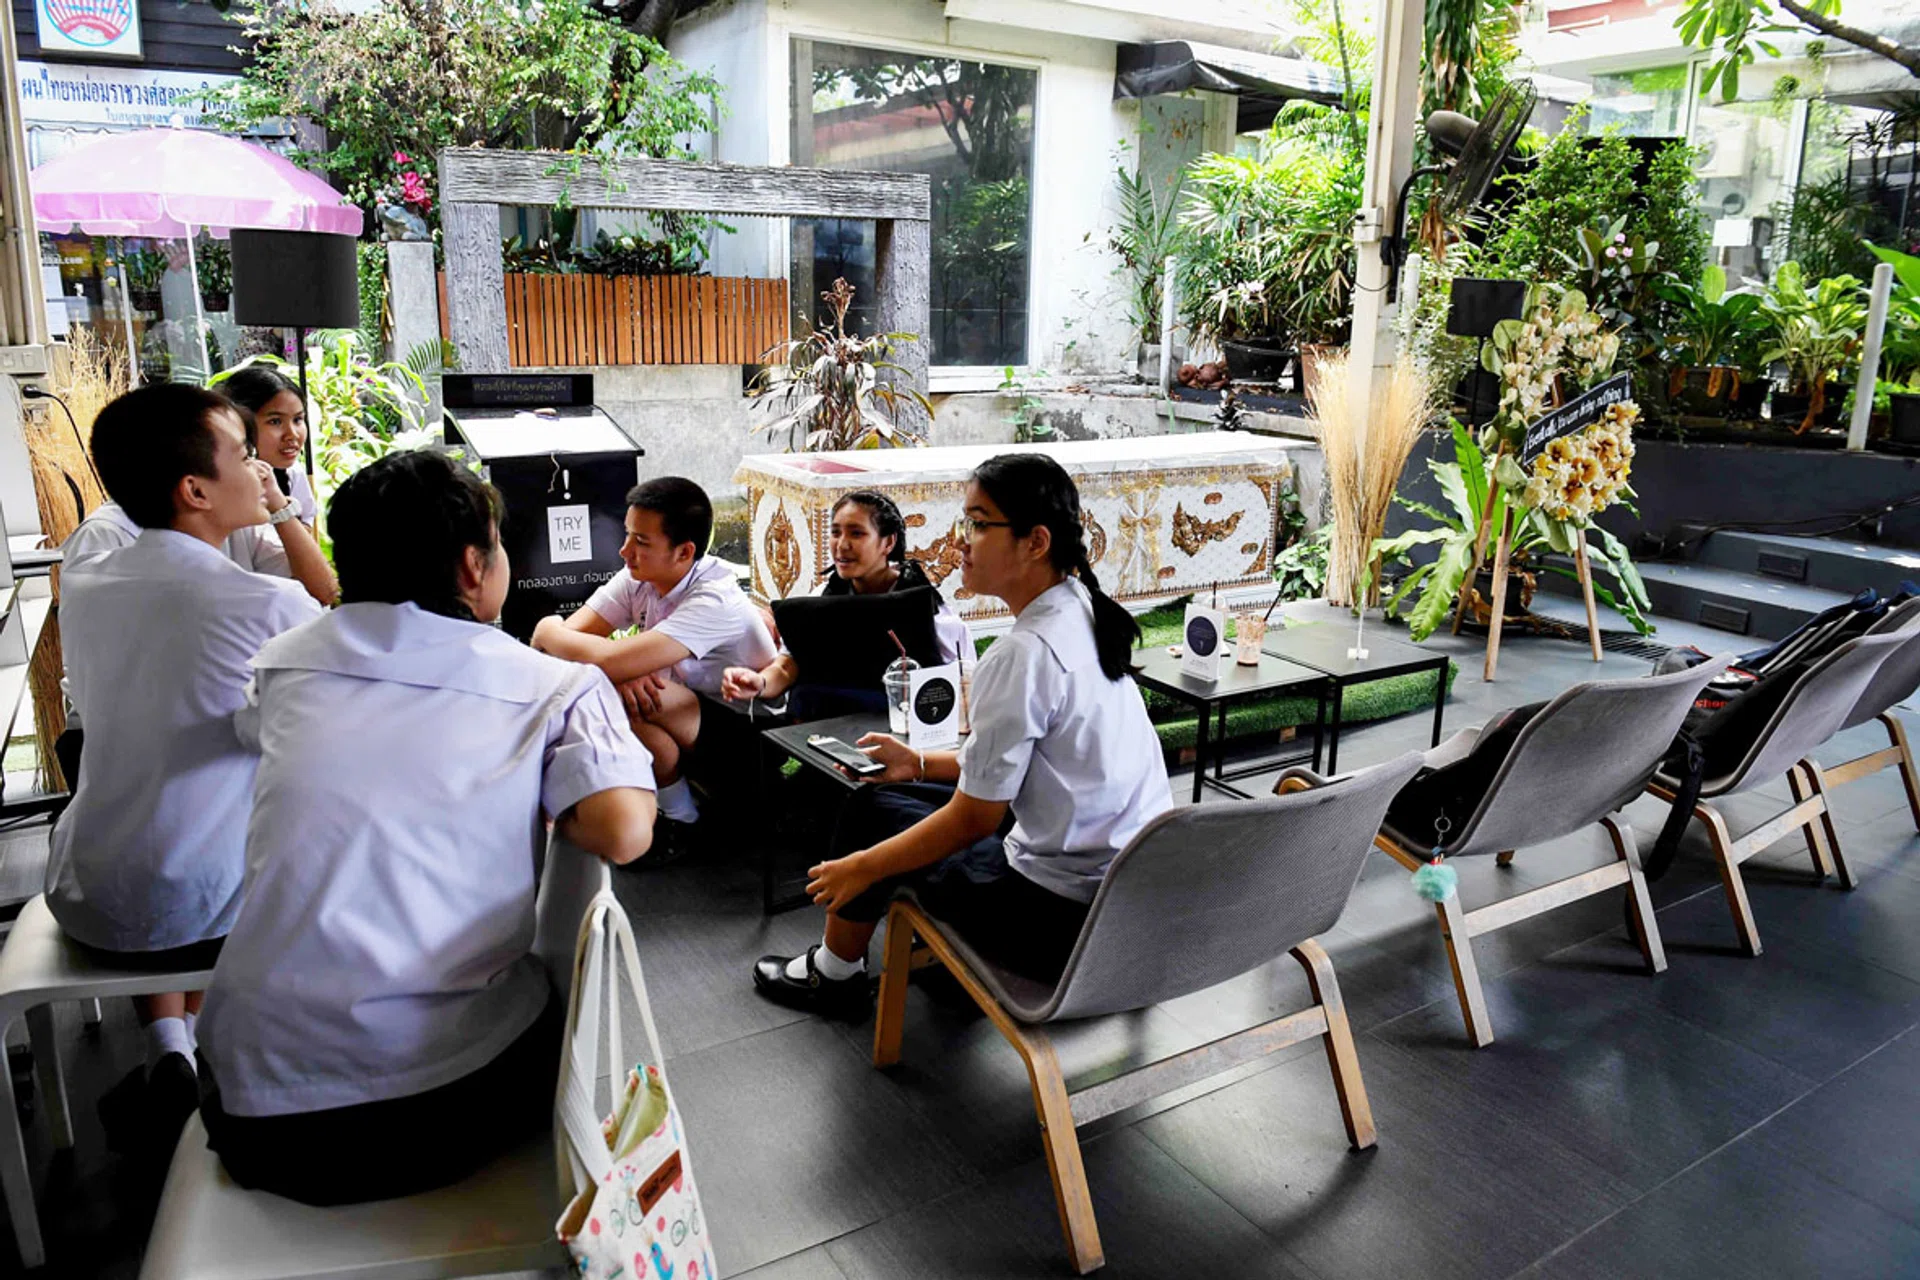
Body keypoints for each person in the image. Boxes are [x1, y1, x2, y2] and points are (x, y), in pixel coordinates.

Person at [197, 449, 658, 1206]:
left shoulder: (282, 667)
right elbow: (623, 832)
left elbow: (264, 739)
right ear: (475, 567)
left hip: (256, 1112)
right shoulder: (554, 686)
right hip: (444, 1108)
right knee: (540, 996)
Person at [751, 453, 1173, 1017]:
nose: (961, 541)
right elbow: (1026, 764)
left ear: (1035, 542)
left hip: (1054, 920)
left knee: (869, 813)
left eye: (977, 523)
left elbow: (976, 819)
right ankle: (883, 960)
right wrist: (919, 764)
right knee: (892, 793)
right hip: (1127, 897)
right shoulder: (1083, 611)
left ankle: (834, 975)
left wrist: (864, 867)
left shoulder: (1023, 654)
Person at [45, 384, 324, 1148]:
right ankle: (247, 1066)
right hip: (198, 912)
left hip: (85, 891)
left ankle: (173, 1048)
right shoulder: (267, 606)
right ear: (194, 489)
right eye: (245, 453)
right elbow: (294, 741)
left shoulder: (91, 578)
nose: (262, 468)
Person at [532, 476, 776, 830]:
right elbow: (562, 648)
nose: (624, 550)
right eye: (627, 534)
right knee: (607, 684)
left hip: (747, 733)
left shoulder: (714, 600)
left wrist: (545, 628)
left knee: (607, 686)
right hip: (690, 711)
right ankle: (679, 813)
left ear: (684, 552)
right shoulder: (639, 576)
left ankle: (680, 817)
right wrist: (609, 662)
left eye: (641, 541)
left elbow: (589, 654)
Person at [719, 490, 970, 718]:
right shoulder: (824, 596)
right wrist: (759, 683)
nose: (842, 544)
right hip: (823, 731)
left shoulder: (928, 609)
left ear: (888, 542)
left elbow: (956, 683)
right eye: (836, 532)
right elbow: (786, 667)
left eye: (857, 533)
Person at [216, 364, 319, 527]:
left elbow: (306, 525)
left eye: (298, 419)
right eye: (275, 421)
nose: (292, 434)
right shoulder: (222, 488)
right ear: (238, 423)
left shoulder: (293, 473)